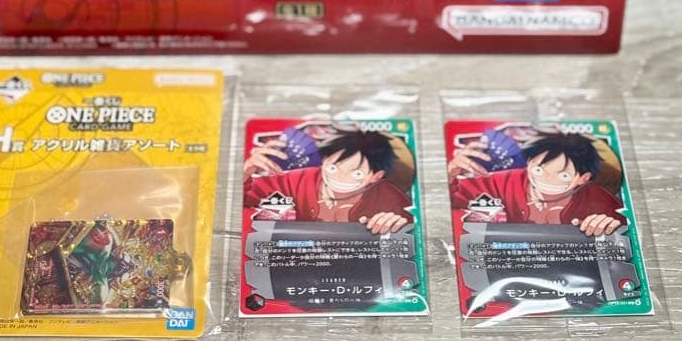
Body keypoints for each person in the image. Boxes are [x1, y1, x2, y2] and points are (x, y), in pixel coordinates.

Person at [448, 132, 625, 236]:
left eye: (563, 175)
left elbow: (625, 225)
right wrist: (450, 174)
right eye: (539, 170)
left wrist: (609, 224)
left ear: (583, 178)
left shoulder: (598, 199)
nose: (546, 179)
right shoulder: (504, 182)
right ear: (529, 163)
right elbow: (454, 198)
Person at [243, 129, 412, 234]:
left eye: (357, 173)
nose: (340, 177)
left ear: (376, 176)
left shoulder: (390, 199)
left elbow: (411, 230)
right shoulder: (298, 181)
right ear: (324, 161)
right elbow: (247, 197)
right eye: (333, 167)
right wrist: (245, 173)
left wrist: (397, 224)